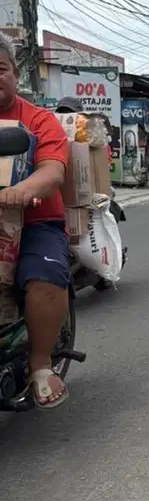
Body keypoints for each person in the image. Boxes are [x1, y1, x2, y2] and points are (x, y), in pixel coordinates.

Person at [0, 35, 71, 408]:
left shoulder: (39, 120)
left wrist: (21, 190)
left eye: (0, 69)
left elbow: (53, 171)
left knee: (44, 276)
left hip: (35, 222)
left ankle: (41, 362)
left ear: (15, 73)